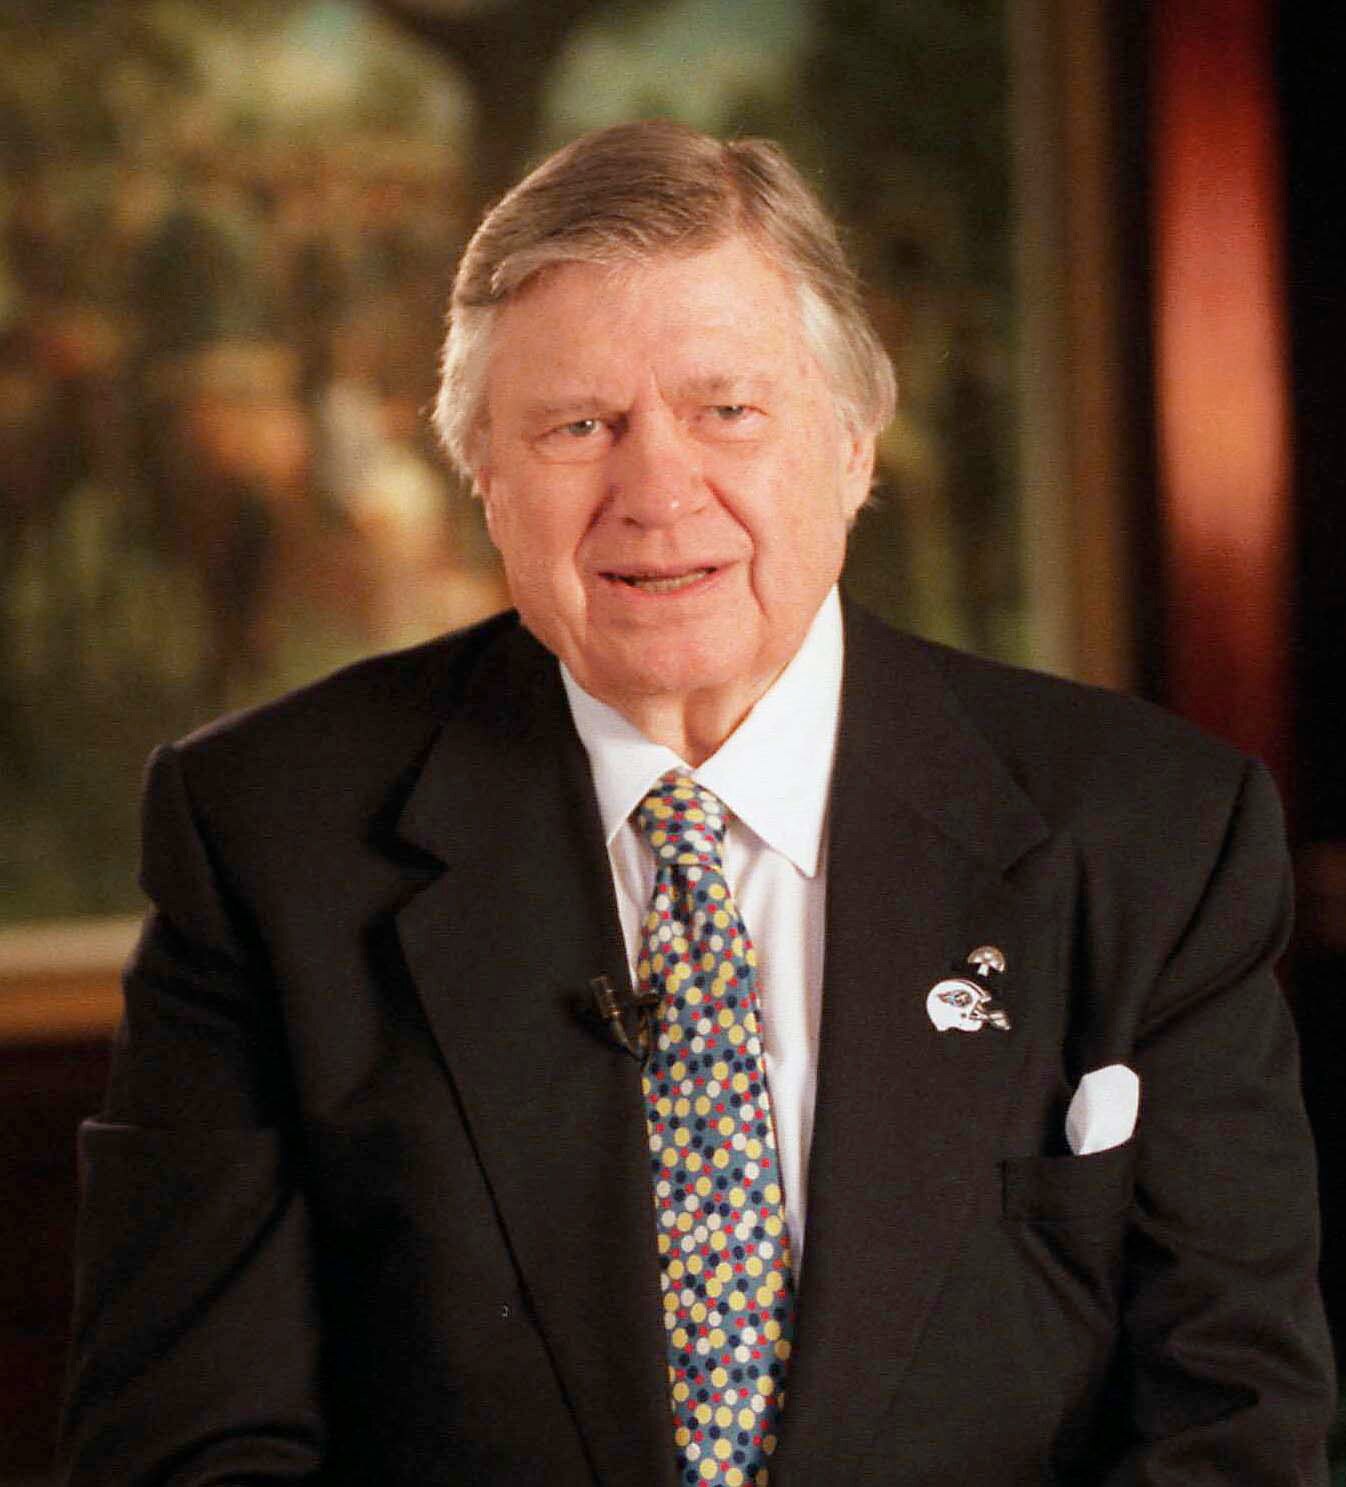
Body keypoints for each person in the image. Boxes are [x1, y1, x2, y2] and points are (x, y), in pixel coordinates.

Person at [60, 120, 1334, 1486]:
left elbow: (1233, 1430)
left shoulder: (1153, 833)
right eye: (578, 426)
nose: (658, 493)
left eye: (728, 410)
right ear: (481, 471)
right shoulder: (267, 835)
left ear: (854, 443)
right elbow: (189, 1450)